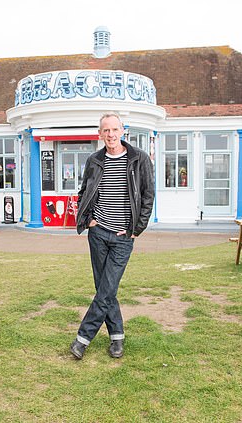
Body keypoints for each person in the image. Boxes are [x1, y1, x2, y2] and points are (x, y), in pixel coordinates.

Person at [69, 112, 155, 360]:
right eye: (106, 130)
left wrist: (135, 229)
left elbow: (147, 196)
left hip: (122, 237)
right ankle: (117, 338)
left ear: (123, 131)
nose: (111, 134)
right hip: (98, 234)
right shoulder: (94, 160)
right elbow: (85, 190)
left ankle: (82, 339)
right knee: (105, 288)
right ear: (100, 134)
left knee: (106, 289)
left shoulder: (139, 159)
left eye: (115, 129)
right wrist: (89, 221)